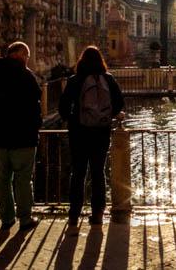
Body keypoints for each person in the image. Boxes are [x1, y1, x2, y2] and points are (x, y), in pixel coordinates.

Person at [59, 46, 124, 228]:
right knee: (98, 173)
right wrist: (105, 117)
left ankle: (74, 215)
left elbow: (63, 107)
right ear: (100, 61)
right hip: (101, 133)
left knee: (78, 173)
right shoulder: (108, 79)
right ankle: (98, 214)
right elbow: (119, 104)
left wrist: (72, 119)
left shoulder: (75, 80)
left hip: (78, 133)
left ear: (81, 61)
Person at [0, 41, 42, 231]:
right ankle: (25, 218)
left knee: (3, 178)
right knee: (23, 179)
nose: (27, 59)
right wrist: (35, 127)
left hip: (1, 136)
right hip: (24, 137)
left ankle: (7, 218)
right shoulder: (27, 77)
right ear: (18, 54)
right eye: (26, 55)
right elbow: (36, 103)